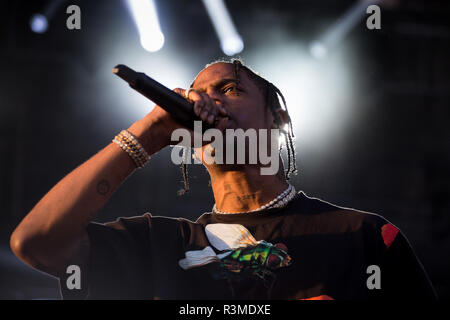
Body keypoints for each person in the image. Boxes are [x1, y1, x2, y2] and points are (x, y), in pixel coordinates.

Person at [10, 59, 437, 300]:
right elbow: (37, 243)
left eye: (229, 89)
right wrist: (152, 130)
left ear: (277, 118)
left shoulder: (362, 237)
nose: (208, 101)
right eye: (198, 95)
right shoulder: (160, 246)